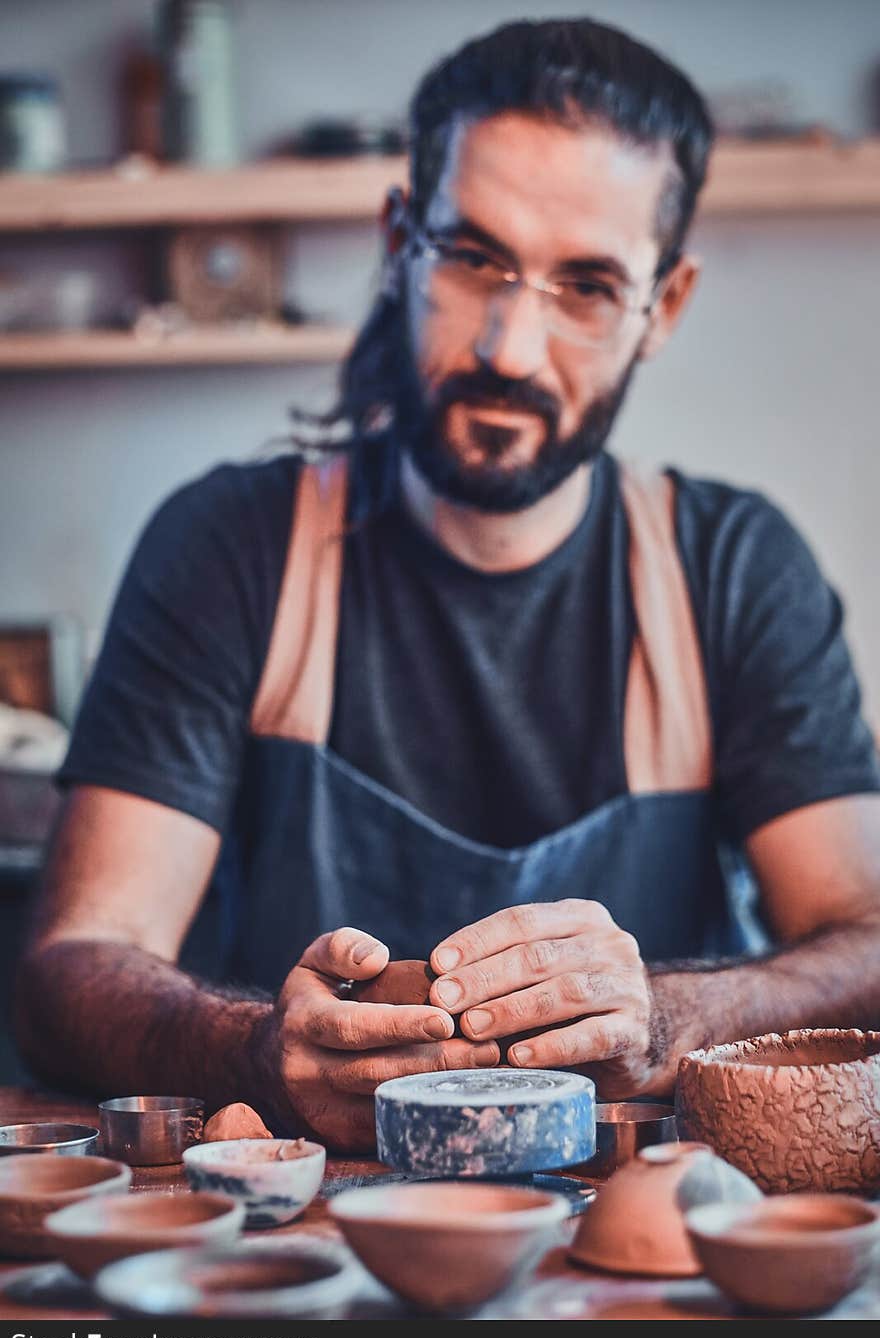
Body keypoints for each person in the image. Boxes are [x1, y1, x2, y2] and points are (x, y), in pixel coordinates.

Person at [15, 18, 880, 1153]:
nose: (511, 347)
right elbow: (70, 957)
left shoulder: (732, 570)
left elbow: (866, 935)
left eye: (584, 284)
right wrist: (243, 1048)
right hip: (302, 1249)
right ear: (397, 242)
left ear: (659, 308)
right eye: (474, 257)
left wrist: (669, 1017)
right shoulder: (230, 547)